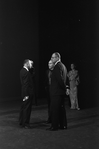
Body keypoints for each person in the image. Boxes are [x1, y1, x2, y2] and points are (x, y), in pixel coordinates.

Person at [47, 52, 67, 131]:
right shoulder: (63, 66)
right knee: (61, 109)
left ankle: (54, 126)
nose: (51, 59)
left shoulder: (57, 67)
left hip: (56, 92)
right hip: (60, 92)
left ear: (57, 58)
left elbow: (60, 80)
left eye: (52, 57)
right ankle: (63, 125)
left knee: (55, 109)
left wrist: (64, 88)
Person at [19, 59, 34, 128]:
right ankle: (25, 123)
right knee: (27, 108)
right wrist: (26, 95)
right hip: (26, 93)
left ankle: (22, 122)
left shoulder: (22, 71)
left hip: (24, 93)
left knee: (24, 107)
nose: (31, 65)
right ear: (27, 64)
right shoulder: (26, 72)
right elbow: (26, 84)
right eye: (30, 64)